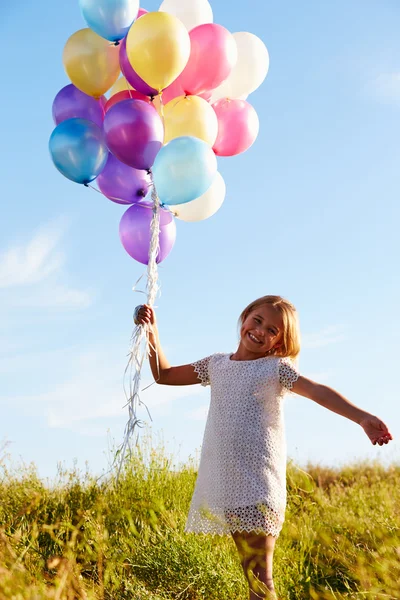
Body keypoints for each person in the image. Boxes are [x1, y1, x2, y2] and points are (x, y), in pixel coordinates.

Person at [134, 295, 393, 600]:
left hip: (258, 485)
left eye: (272, 330)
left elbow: (317, 391)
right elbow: (164, 375)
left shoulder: (276, 369)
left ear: (279, 344)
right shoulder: (216, 365)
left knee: (260, 579)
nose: (260, 331)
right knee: (253, 578)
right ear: (245, 317)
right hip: (228, 484)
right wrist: (151, 330)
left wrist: (361, 417)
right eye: (257, 320)